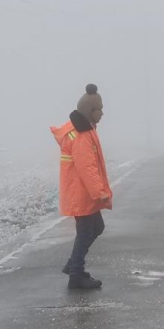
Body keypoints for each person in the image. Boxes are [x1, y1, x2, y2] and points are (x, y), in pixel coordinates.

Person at [50, 84, 112, 290]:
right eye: (99, 109)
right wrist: (100, 193)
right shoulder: (81, 136)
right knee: (86, 232)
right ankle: (76, 275)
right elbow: (87, 168)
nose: (102, 113)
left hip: (83, 191)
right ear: (89, 111)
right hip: (82, 193)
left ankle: (73, 265)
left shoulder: (85, 130)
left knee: (96, 228)